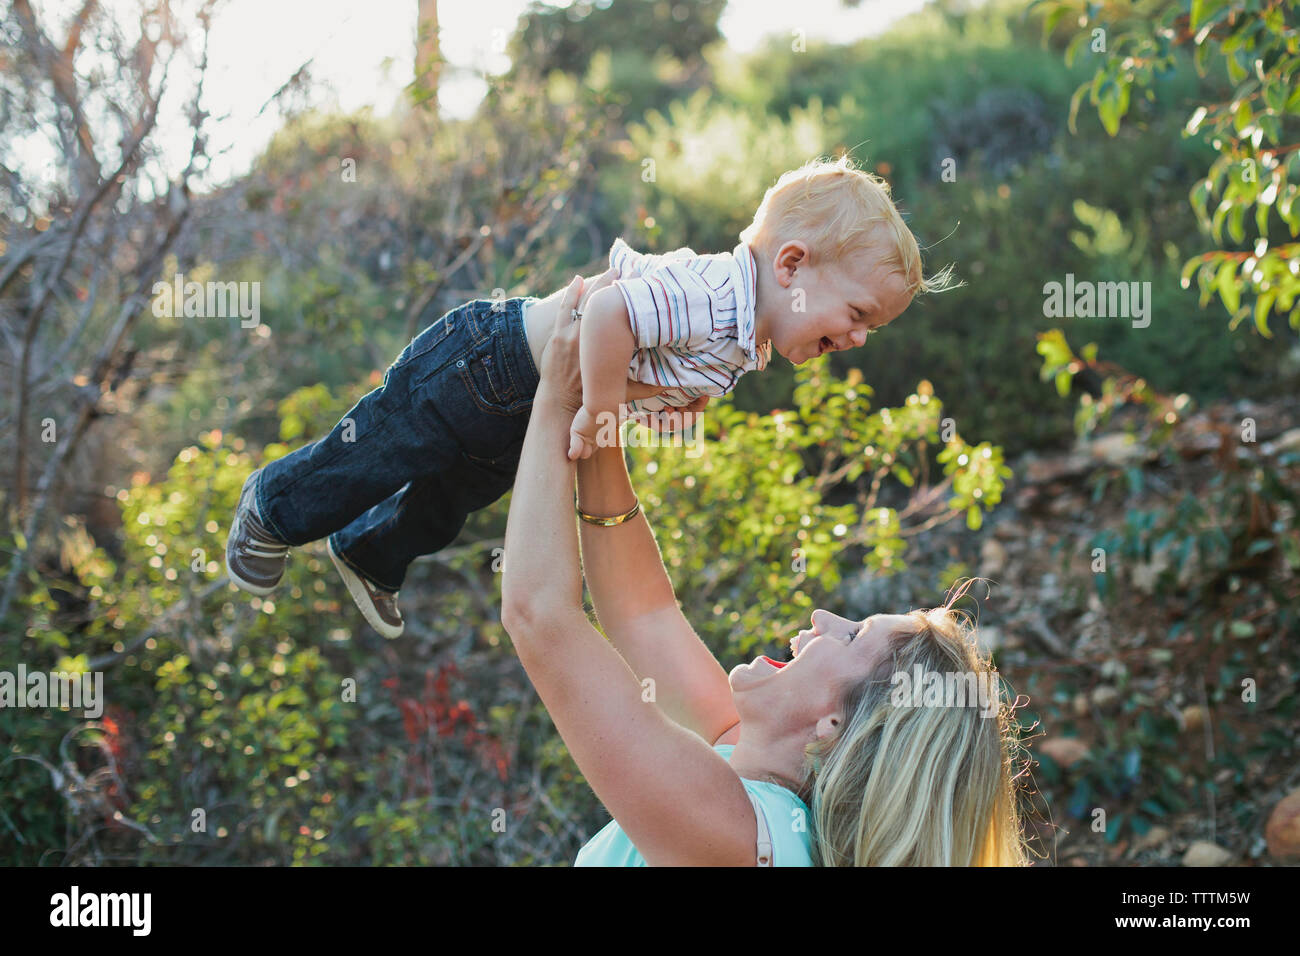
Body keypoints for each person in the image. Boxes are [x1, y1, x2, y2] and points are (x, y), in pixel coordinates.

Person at [225, 156, 950, 638]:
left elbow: (641, 367)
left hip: (524, 405)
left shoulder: (742, 341)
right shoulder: (711, 293)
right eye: (858, 316)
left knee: (453, 496)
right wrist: (602, 411)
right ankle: (272, 507)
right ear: (791, 265)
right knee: (382, 449)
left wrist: (656, 404)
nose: (858, 340)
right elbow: (608, 315)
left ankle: (370, 553)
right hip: (489, 361)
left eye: (871, 330)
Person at [500, 275, 1029, 866]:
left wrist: (559, 395)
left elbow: (540, 617)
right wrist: (603, 409)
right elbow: (642, 615)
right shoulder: (755, 790)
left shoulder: (738, 834)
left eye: (853, 635)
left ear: (832, 725)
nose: (822, 617)